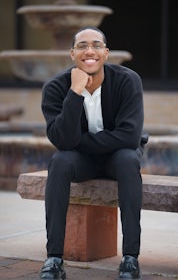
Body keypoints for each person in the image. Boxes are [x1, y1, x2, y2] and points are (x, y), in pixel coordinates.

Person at [39, 26, 147, 280]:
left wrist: (79, 142)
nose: (90, 51)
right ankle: (54, 258)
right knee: (60, 161)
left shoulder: (127, 80)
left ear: (106, 54)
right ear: (72, 54)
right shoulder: (56, 87)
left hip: (118, 158)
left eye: (97, 45)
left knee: (128, 158)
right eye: (82, 45)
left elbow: (129, 137)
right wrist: (75, 93)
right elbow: (63, 141)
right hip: (81, 162)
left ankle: (131, 258)